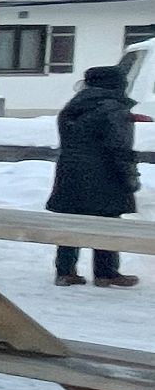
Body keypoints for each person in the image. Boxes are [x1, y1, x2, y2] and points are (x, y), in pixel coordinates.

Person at [49, 65, 142, 288]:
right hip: (106, 175)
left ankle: (65, 272)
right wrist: (130, 177)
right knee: (107, 223)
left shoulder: (73, 107)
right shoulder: (114, 109)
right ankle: (106, 273)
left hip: (70, 174)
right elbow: (120, 147)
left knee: (72, 222)